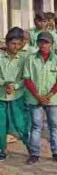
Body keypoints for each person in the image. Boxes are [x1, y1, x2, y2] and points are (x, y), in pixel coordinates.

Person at [23, 31, 57, 164]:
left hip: (52, 99)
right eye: (41, 42)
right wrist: (38, 96)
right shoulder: (31, 59)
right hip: (35, 97)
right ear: (37, 43)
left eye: (46, 42)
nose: (43, 45)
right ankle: (34, 153)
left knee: (54, 125)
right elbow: (27, 79)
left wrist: (49, 95)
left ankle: (56, 152)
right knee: (36, 126)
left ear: (52, 44)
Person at [0, 28, 30, 161]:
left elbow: (26, 78)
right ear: (7, 43)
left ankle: (31, 147)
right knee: (1, 124)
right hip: (1, 95)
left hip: (17, 96)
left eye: (19, 44)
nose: (16, 47)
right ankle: (2, 149)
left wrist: (15, 86)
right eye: (13, 44)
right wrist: (5, 84)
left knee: (20, 123)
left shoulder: (24, 58)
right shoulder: (0, 57)